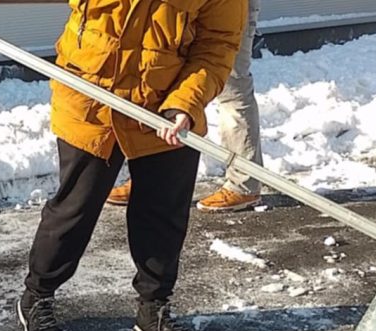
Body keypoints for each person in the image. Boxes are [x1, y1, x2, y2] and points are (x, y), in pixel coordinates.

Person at [0, 0, 245, 331]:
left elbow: (217, 45)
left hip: (164, 108)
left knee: (164, 213)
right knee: (76, 206)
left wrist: (185, 103)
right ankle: (38, 295)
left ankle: (154, 309)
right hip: (90, 100)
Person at [107, 0, 263, 213]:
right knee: (158, 79)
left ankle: (244, 183)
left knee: (231, 86)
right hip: (175, 8)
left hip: (226, 9)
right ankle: (150, 179)